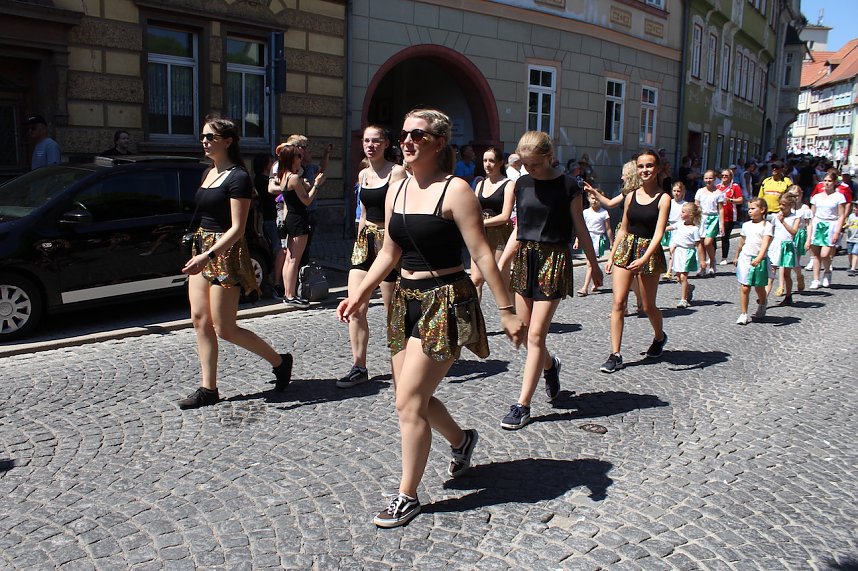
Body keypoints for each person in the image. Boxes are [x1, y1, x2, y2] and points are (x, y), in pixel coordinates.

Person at [336, 108, 525, 529]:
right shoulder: (396, 188)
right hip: (405, 299)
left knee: (408, 402)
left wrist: (507, 310)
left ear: (438, 143)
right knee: (410, 395)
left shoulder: (456, 190)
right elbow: (389, 251)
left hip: (445, 300)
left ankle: (408, 495)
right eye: (404, 135)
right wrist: (360, 294)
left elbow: (481, 255)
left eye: (417, 136)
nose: (407, 141)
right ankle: (461, 440)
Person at [178, 117, 292, 409]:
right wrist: (200, 252)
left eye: (211, 137)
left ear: (227, 141)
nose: (204, 141)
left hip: (224, 253)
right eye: (203, 136)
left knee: (225, 328)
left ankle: (280, 362)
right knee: (199, 320)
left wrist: (208, 256)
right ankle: (208, 388)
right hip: (203, 246)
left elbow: (237, 229)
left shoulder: (238, 177)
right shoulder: (207, 173)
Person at [500, 131, 602, 429]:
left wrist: (594, 265)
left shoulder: (569, 185)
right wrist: (502, 262)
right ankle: (550, 365)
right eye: (524, 164)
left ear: (548, 157)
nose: (528, 169)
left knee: (534, 336)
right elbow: (519, 228)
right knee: (527, 334)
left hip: (552, 261)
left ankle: (522, 405)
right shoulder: (520, 183)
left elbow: (580, 228)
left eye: (533, 163)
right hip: (525, 259)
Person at [339, 125, 407, 389]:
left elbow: (397, 213)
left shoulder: (396, 171)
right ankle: (359, 366)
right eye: (366, 141)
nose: (370, 145)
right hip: (366, 242)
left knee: (393, 311)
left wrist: (392, 246)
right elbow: (363, 213)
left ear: (386, 143)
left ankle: (400, 364)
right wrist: (359, 240)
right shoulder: (364, 173)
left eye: (376, 141)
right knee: (356, 306)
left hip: (389, 243)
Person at [600, 149, 671, 373]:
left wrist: (644, 258)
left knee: (648, 306)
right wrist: (612, 256)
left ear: (657, 169)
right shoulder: (630, 196)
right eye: (641, 166)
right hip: (627, 248)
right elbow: (623, 228)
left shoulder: (664, 198)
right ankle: (615, 354)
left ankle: (659, 337)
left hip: (648, 252)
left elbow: (659, 233)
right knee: (618, 303)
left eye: (649, 166)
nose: (645, 170)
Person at [586, 159, 646, 316]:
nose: (621, 178)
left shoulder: (641, 192)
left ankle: (640, 301)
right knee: (623, 271)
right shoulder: (626, 192)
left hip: (636, 235)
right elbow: (610, 203)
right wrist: (594, 192)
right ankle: (623, 307)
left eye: (624, 174)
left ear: (631, 175)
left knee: (633, 274)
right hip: (623, 233)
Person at [273, 143, 326, 308]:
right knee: (294, 260)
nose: (301, 158)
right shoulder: (294, 178)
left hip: (290, 218)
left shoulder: (284, 176)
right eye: (298, 156)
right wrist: (317, 184)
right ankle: (291, 295)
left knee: (289, 258)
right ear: (292, 159)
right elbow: (307, 200)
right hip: (298, 219)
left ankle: (287, 294)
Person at [471, 146, 515, 301]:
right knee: (476, 279)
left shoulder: (508, 184)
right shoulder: (480, 184)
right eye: (484, 160)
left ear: (500, 163)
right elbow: (474, 209)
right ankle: (475, 323)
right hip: (480, 235)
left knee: (501, 281)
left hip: (500, 235)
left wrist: (482, 223)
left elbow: (505, 216)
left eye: (491, 161)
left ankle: (514, 316)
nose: (487, 164)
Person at [733, 198, 773, 325]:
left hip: (758, 259)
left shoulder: (767, 226)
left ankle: (762, 302)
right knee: (745, 287)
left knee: (759, 287)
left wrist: (759, 258)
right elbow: (742, 242)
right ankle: (743, 313)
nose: (750, 211)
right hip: (746, 258)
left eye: (753, 208)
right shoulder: (746, 225)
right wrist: (736, 255)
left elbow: (765, 244)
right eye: (749, 209)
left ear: (762, 210)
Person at [807, 170, 847, 289]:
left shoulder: (839, 197)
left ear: (834, 182)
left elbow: (841, 216)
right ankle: (815, 279)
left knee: (825, 254)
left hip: (831, 225)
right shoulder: (817, 197)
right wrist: (809, 231)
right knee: (816, 255)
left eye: (830, 181)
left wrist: (837, 232)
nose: (827, 183)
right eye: (825, 181)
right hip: (817, 224)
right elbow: (812, 215)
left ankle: (827, 272)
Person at [574, 192, 612, 296]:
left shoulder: (604, 213)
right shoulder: (585, 212)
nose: (594, 201)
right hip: (587, 237)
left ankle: (584, 288)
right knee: (591, 262)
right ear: (588, 199)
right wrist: (577, 240)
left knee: (590, 263)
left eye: (597, 199)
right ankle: (598, 280)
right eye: (592, 198)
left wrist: (611, 243)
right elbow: (581, 227)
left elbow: (608, 229)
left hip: (598, 238)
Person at [767, 193, 800, 305]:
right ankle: (764, 298)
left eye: (784, 205)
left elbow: (793, 232)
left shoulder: (795, 217)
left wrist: (783, 222)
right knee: (771, 272)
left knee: (786, 274)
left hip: (787, 246)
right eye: (780, 204)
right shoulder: (775, 217)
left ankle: (788, 295)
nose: (781, 206)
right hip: (776, 246)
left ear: (790, 205)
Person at [670, 202, 702, 308]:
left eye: (683, 212)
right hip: (678, 253)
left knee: (683, 277)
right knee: (679, 278)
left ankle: (683, 300)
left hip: (687, 253)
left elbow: (699, 245)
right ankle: (689, 287)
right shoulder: (680, 224)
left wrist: (702, 260)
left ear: (691, 215)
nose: (681, 214)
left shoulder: (694, 229)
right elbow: (669, 228)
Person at [694, 170, 725, 276]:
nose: (708, 180)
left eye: (710, 178)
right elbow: (696, 206)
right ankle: (702, 266)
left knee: (708, 242)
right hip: (701, 218)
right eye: (706, 178)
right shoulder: (700, 191)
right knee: (701, 242)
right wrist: (694, 220)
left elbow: (720, 209)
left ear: (715, 179)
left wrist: (721, 223)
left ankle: (712, 260)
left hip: (713, 218)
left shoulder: (719, 193)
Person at [662, 181, 688, 280]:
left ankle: (669, 271)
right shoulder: (669, 202)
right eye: (674, 191)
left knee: (673, 250)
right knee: (669, 249)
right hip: (668, 226)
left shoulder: (685, 204)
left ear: (683, 192)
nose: (676, 193)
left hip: (679, 228)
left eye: (679, 191)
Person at [718, 167, 744, 264]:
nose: (724, 177)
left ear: (730, 177)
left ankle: (724, 257)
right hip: (717, 215)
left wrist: (731, 200)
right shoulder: (717, 187)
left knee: (725, 236)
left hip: (729, 215)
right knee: (712, 237)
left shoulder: (735, 187)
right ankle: (711, 256)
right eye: (723, 175)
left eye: (726, 176)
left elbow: (740, 200)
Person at [846, 203, 858, 276]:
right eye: (855, 206)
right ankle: (851, 265)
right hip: (850, 238)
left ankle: (853, 269)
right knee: (850, 253)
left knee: (855, 253)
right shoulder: (851, 216)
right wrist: (845, 226)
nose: (856, 208)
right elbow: (848, 224)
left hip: (857, 239)